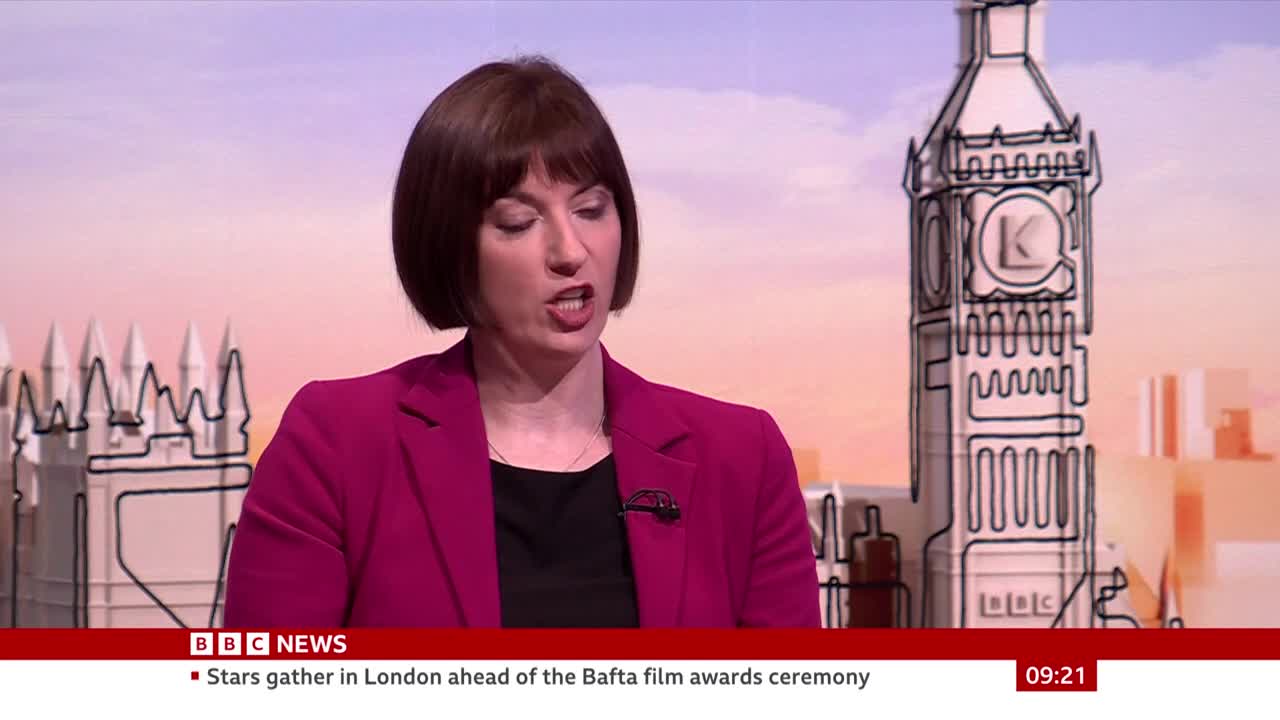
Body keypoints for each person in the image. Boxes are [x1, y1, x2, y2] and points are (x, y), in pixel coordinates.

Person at [222, 56, 819, 628]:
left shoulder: (743, 460)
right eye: (518, 222)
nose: (570, 251)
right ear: (448, 246)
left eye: (591, 209)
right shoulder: (335, 446)